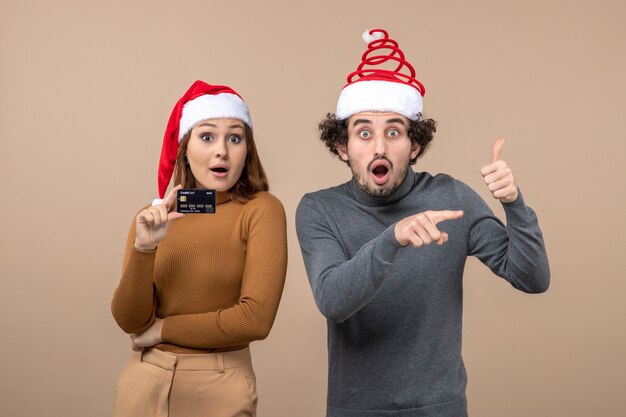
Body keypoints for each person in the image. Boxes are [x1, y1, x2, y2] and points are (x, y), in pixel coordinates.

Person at [295, 29, 550, 417]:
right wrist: (391, 238)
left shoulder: (452, 198)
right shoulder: (319, 209)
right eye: (364, 133)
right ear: (342, 148)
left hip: (441, 409)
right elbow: (332, 301)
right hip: (357, 410)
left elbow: (533, 278)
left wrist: (514, 204)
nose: (379, 147)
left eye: (393, 132)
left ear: (414, 146)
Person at [111, 80, 287, 417]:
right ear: (185, 149)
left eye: (234, 138)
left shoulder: (261, 209)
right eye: (207, 137)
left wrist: (162, 330)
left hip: (219, 385)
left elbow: (255, 320)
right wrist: (143, 249)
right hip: (142, 383)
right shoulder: (151, 219)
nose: (222, 150)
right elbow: (129, 320)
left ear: (246, 150)